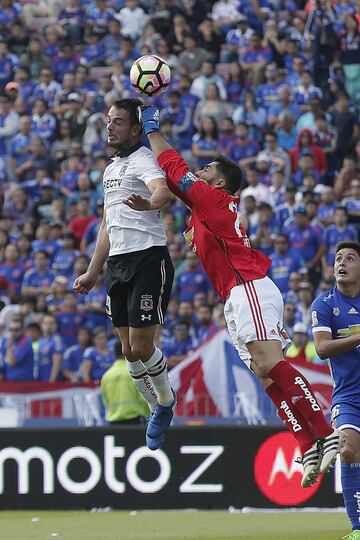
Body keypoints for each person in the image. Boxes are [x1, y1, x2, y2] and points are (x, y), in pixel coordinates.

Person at [133, 104, 345, 488]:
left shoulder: (214, 202)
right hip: (236, 296)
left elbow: (177, 171)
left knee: (269, 363)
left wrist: (152, 129)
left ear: (219, 185)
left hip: (248, 287)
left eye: (208, 171)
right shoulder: (206, 207)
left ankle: (325, 430)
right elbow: (176, 182)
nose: (200, 173)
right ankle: (306, 442)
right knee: (265, 374)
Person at [73, 98, 175, 451]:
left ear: (135, 128)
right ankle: (155, 406)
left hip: (148, 258)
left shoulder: (144, 159)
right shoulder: (110, 170)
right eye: (109, 120)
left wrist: (149, 203)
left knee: (143, 345)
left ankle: (166, 402)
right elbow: (106, 224)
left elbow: (163, 191)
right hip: (117, 262)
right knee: (128, 350)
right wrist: (91, 271)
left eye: (118, 121)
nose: (110, 126)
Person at [311, 241, 360, 540]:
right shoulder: (325, 304)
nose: (342, 262)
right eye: (338, 258)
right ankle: (357, 529)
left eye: (350, 258)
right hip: (348, 395)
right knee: (347, 450)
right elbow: (322, 348)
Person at [101, 342, 150, 424]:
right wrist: (147, 415)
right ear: (128, 352)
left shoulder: (106, 376)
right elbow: (144, 397)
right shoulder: (135, 372)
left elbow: (105, 401)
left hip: (113, 422)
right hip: (135, 420)